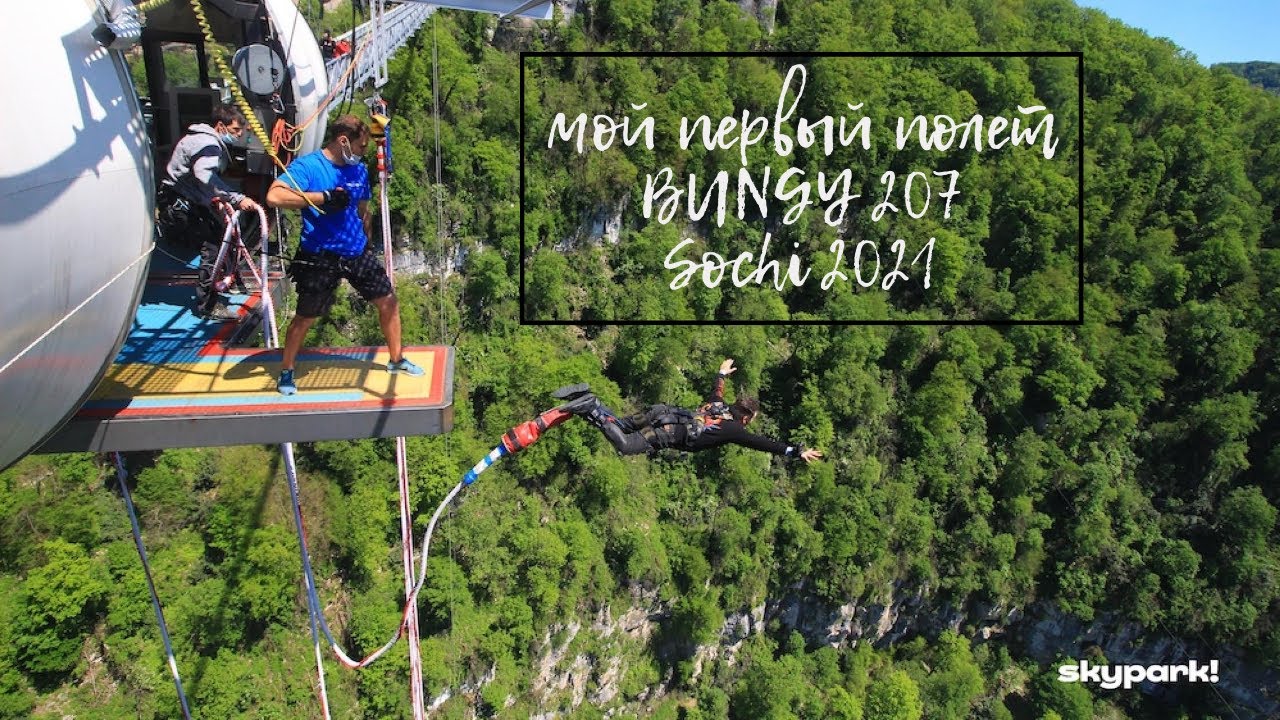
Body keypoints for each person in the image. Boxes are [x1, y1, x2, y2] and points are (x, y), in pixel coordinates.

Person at [265, 114, 423, 395]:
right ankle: (287, 369)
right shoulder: (309, 167)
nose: (363, 152)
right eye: (361, 146)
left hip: (355, 250)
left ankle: (397, 359)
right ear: (343, 141)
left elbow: (363, 210)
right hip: (320, 254)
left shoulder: (358, 170)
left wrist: (368, 241)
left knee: (388, 302)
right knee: (305, 317)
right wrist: (322, 197)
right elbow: (274, 196)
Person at [555, 359, 824, 462]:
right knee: (625, 445)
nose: (749, 425)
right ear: (744, 417)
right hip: (664, 433)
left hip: (658, 412)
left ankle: (587, 399)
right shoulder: (733, 429)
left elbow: (718, 389)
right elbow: (762, 443)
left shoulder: (719, 404)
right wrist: (794, 451)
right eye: (750, 420)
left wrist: (721, 373)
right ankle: (588, 406)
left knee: (621, 425)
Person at [156, 104, 261, 320]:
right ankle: (209, 305)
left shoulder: (199, 138)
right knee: (214, 247)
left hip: (179, 199)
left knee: (223, 235)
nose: (238, 135)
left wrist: (214, 200)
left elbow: (196, 180)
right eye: (235, 130)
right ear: (220, 126)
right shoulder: (209, 144)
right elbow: (205, 177)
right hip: (181, 204)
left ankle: (229, 281)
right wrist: (236, 198)